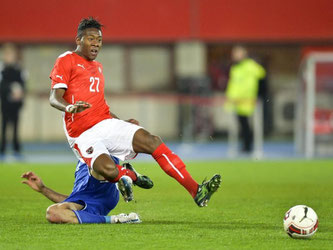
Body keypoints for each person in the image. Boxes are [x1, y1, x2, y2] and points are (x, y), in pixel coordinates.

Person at [49, 17, 221, 207]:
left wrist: (121, 122)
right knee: (106, 169)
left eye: (99, 40)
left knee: (152, 141)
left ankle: (196, 190)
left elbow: (98, 106)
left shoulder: (97, 67)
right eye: (91, 39)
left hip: (105, 123)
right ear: (78, 40)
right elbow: (54, 97)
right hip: (82, 134)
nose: (96, 44)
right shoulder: (66, 59)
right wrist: (69, 107)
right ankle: (130, 175)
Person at [21, 157, 145, 224]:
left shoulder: (91, 143)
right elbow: (75, 200)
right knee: (54, 213)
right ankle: (119, 218)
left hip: (100, 190)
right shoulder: (81, 155)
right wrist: (43, 189)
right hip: (90, 197)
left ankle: (124, 174)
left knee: (97, 162)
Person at [225, 46, 266, 153]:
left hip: (247, 100)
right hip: (236, 101)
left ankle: (248, 146)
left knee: (248, 124)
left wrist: (257, 94)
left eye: (237, 53)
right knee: (242, 124)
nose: (235, 56)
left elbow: (261, 75)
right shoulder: (235, 68)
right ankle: (246, 145)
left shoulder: (250, 65)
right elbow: (234, 85)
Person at [0, 43, 25, 160]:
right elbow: (2, 85)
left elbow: (23, 84)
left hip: (15, 105)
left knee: (15, 127)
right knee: (4, 127)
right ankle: (3, 150)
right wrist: (11, 88)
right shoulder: (2, 69)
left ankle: (16, 150)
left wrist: (19, 92)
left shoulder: (19, 70)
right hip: (5, 104)